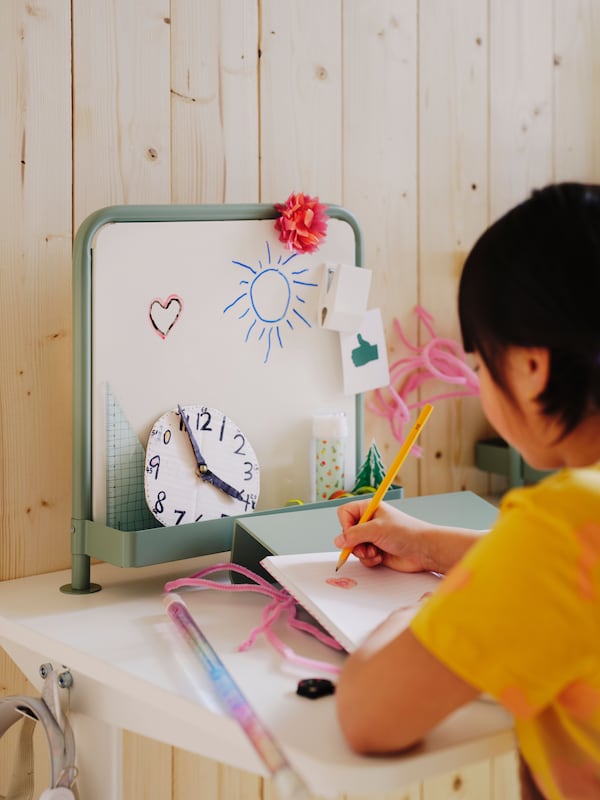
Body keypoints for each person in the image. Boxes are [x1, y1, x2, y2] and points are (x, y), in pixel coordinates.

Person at [333, 183, 600, 800]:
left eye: (482, 364)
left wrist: (423, 611)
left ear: (533, 367)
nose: (480, 382)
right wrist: (427, 546)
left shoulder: (561, 522)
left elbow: (367, 718)